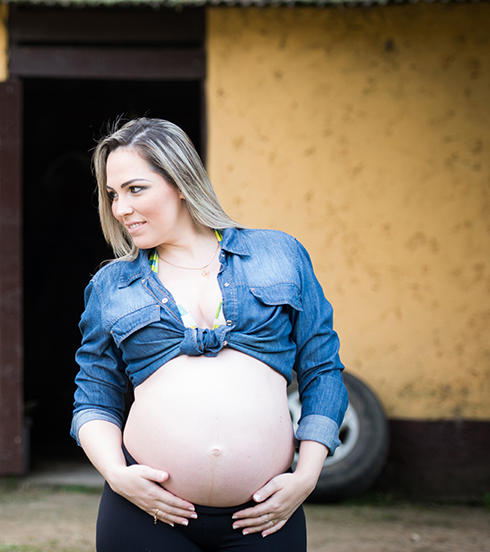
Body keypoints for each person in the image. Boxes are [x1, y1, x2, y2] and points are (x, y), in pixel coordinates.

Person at [72, 118, 348, 552]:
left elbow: (322, 370)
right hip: (145, 517)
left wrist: (307, 476)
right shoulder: (111, 285)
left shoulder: (280, 254)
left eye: (135, 189)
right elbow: (93, 396)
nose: (120, 208)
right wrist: (117, 475)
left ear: (180, 181)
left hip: (265, 517)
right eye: (112, 194)